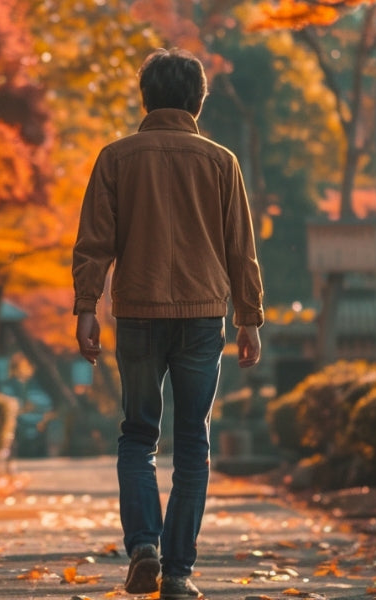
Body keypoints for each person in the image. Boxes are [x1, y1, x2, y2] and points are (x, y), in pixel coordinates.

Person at [71, 47, 265, 599]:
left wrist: (87, 307)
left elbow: (94, 243)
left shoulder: (116, 157)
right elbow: (240, 249)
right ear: (199, 100)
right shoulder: (221, 161)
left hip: (136, 311)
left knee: (138, 435)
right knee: (193, 443)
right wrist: (249, 318)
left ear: (145, 98)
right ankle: (178, 573)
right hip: (205, 315)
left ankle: (144, 548)